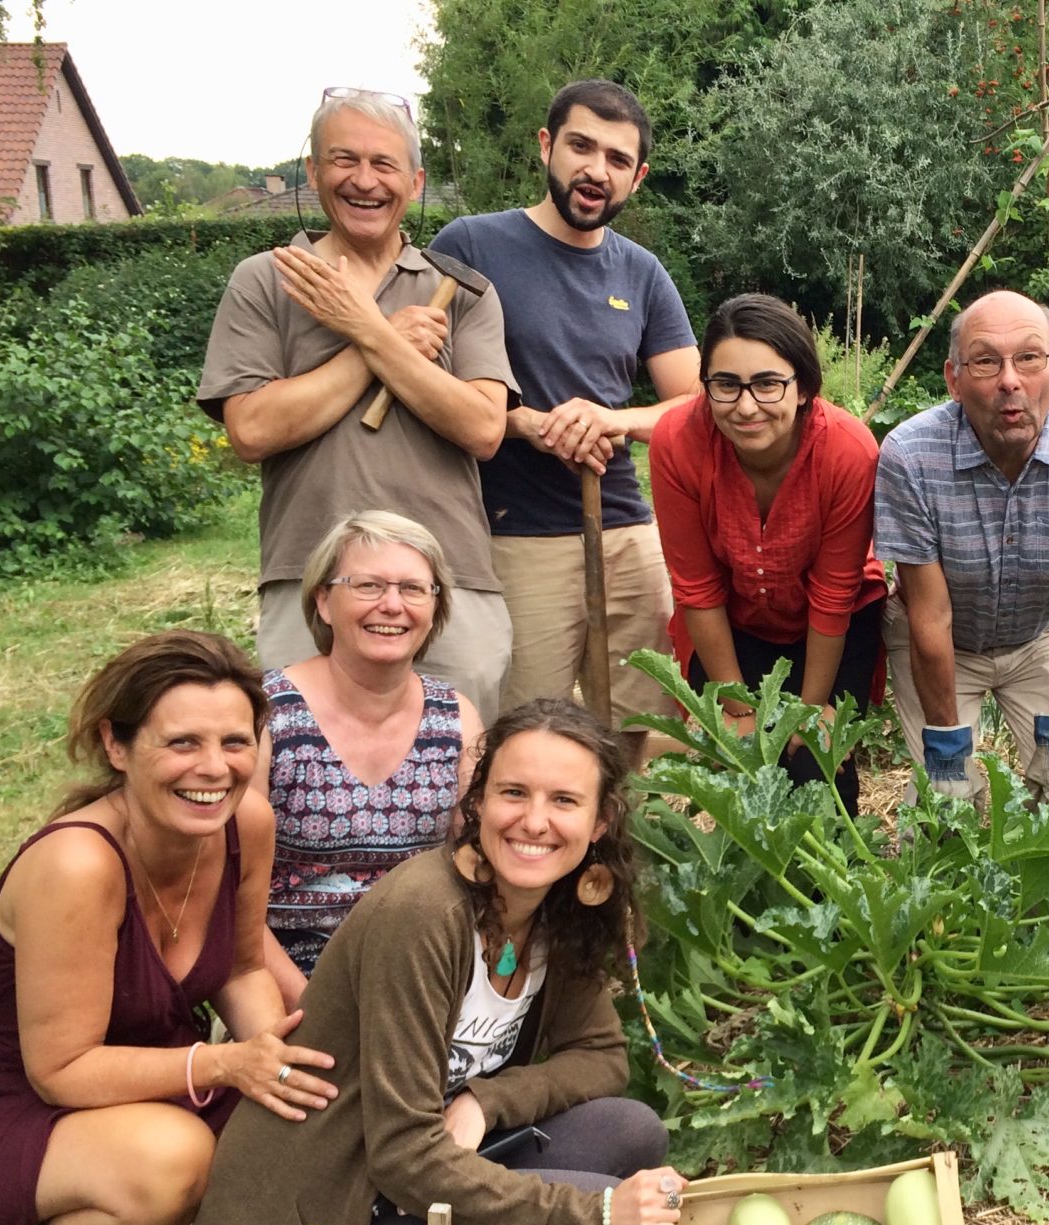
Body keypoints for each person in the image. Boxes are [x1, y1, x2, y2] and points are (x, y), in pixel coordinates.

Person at [193, 698, 680, 1225]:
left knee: (633, 1132)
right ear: (477, 801)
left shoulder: (559, 903)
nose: (534, 821)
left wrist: (487, 1101)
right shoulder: (426, 915)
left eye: (564, 800)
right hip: (322, 1213)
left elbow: (602, 1056)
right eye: (513, 792)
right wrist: (597, 1213)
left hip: (412, 1175)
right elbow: (404, 1156)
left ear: (600, 822)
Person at [0, 631, 336, 1225]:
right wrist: (228, 1064)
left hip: (146, 1080)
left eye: (234, 741)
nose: (213, 768)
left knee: (305, 1110)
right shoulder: (78, 864)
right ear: (115, 746)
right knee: (176, 1161)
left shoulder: (243, 823)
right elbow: (59, 1070)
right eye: (181, 742)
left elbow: (245, 967)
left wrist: (278, 1062)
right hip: (8, 1110)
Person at [199, 86, 517, 717]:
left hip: (448, 577)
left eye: (384, 164)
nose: (364, 181)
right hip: (307, 577)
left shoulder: (462, 292)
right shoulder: (267, 279)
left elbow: (483, 429)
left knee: (460, 778)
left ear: (416, 180)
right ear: (314, 171)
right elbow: (252, 430)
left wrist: (365, 327)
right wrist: (380, 340)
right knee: (305, 779)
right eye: (344, 161)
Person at [431, 79, 699, 749]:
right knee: (528, 729)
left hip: (625, 529)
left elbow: (695, 404)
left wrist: (616, 421)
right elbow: (426, 383)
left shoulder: (642, 272)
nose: (595, 170)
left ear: (636, 178)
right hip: (516, 534)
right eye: (581, 146)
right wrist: (524, 423)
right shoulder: (472, 246)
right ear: (547, 147)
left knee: (650, 731)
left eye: (616, 159)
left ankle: (645, 853)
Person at [873, 289, 1049, 810]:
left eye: (1028, 357)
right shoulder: (910, 455)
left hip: (1042, 629)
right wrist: (948, 747)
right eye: (985, 361)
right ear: (954, 380)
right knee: (942, 801)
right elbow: (929, 617)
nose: (1009, 380)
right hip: (941, 639)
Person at [649, 294, 888, 810]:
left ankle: (829, 886)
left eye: (768, 383)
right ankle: (751, 885)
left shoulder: (848, 450)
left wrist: (811, 711)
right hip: (731, 621)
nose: (747, 405)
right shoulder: (677, 441)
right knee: (740, 763)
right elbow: (697, 587)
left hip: (831, 626)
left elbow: (833, 594)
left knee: (817, 765)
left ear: (803, 388)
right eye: (726, 385)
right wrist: (736, 709)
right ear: (706, 385)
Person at [260, 512, 484, 1007]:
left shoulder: (457, 719)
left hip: (419, 970)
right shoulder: (268, 715)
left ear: (434, 607)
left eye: (413, 588)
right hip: (285, 974)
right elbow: (224, 894)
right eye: (367, 585)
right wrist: (315, 1009)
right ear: (322, 600)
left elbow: (479, 867)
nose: (392, 605)